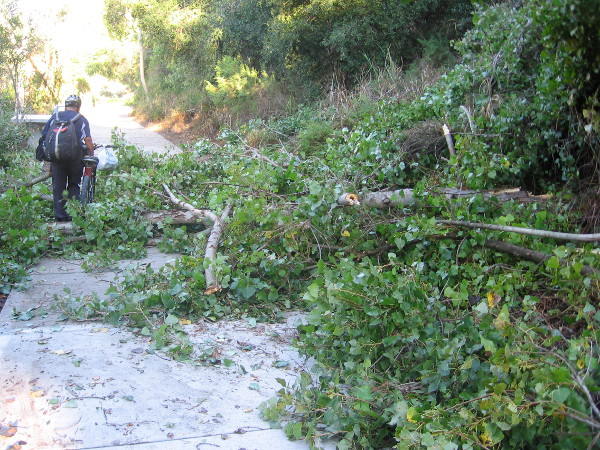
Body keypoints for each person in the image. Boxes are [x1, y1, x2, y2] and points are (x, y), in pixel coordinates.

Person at [40, 95, 95, 222]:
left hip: (57, 158)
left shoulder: (56, 117)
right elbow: (87, 139)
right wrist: (91, 155)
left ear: (66, 105)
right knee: (74, 185)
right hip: (75, 158)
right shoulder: (81, 119)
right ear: (78, 107)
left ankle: (60, 217)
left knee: (58, 186)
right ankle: (73, 214)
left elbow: (45, 135)